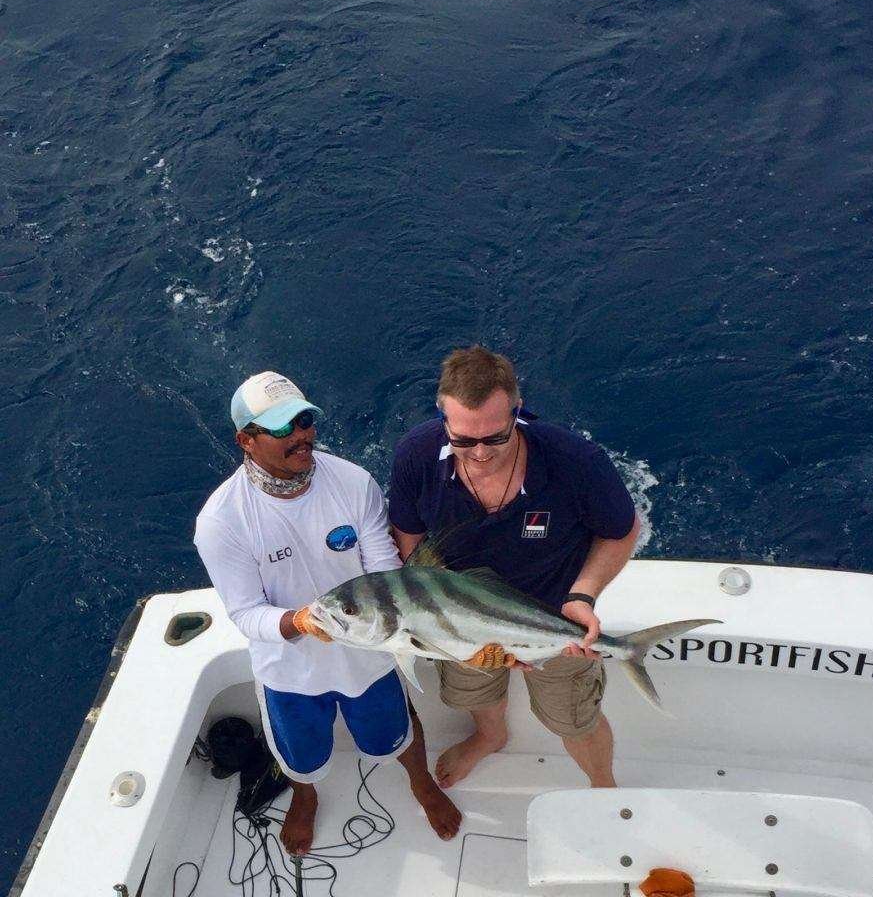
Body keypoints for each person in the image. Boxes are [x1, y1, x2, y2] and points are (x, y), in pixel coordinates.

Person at [194, 371, 462, 854]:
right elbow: (246, 613)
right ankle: (306, 796)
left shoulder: (352, 481)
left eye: (303, 420)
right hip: (290, 671)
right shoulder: (221, 521)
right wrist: (296, 622)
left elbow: (384, 570)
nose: (300, 436)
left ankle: (422, 784)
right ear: (246, 441)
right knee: (301, 753)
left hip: (370, 654)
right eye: (281, 428)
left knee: (397, 731)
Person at [388, 346, 641, 790]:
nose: (480, 453)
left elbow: (621, 530)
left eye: (496, 438)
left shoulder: (574, 461)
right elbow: (408, 538)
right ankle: (491, 735)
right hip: (458, 620)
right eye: (463, 440)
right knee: (471, 691)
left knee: (574, 719)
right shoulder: (416, 455)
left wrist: (582, 596)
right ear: (442, 418)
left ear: (517, 413)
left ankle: (604, 784)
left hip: (552, 616)